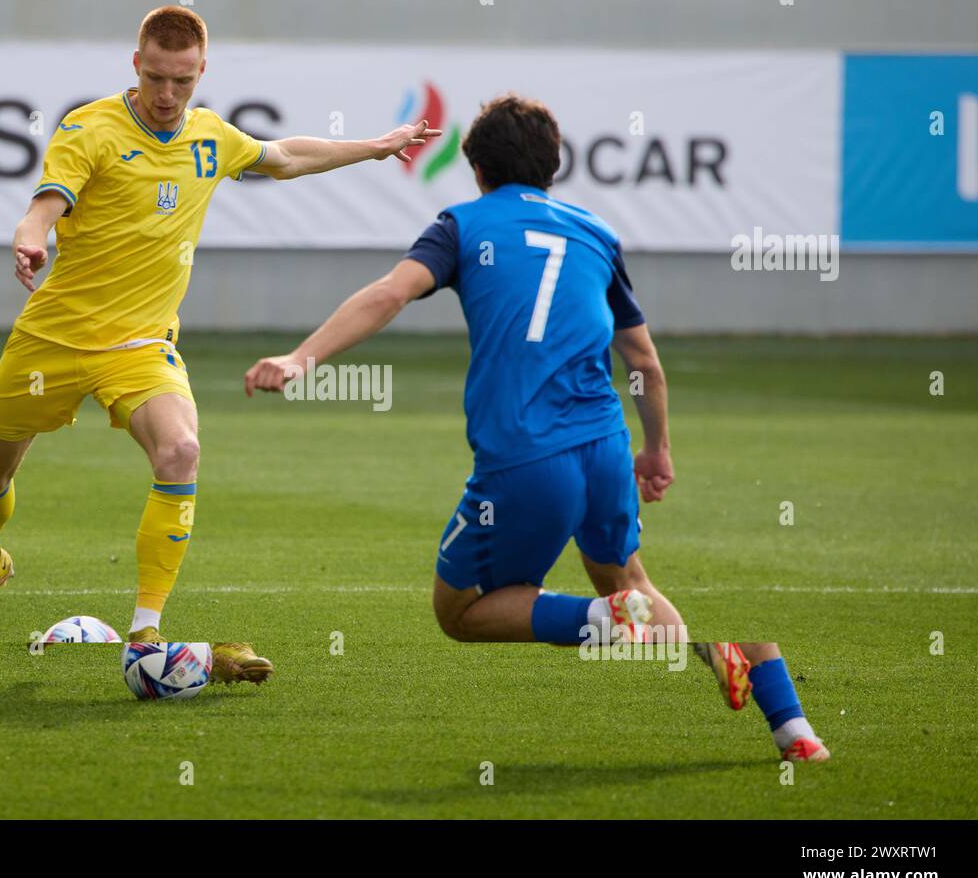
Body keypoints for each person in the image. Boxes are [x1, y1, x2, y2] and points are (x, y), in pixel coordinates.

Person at [244, 93, 829, 761]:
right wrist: (656, 448)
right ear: (553, 166)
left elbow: (389, 293)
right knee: (626, 579)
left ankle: (595, 621)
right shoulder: (595, 234)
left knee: (459, 611)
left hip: (526, 455)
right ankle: (793, 727)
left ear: (477, 168)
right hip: (604, 446)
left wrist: (301, 357)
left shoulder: (462, 225)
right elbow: (643, 361)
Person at [0, 5, 440, 689]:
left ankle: (145, 631)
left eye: (181, 80)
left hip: (142, 344)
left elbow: (287, 156)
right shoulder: (88, 128)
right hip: (52, 336)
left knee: (180, 450)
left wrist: (376, 145)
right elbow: (46, 203)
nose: (167, 94)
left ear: (202, 71)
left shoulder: (211, 136)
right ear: (135, 65)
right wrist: (30, 235)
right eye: (155, 77)